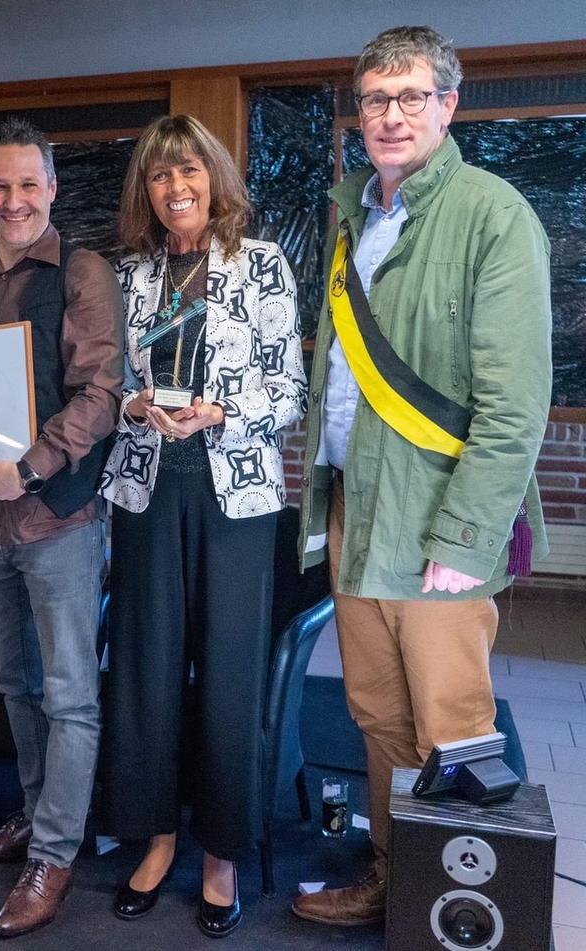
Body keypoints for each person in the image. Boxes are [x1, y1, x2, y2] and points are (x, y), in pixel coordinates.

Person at [293, 26, 552, 926]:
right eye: (374, 99)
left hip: (439, 522)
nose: (390, 114)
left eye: (411, 96)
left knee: (452, 726)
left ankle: (456, 908)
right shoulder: (353, 212)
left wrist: (466, 536)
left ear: (449, 103)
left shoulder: (493, 212)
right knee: (377, 714)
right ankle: (396, 879)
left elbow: (515, 405)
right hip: (357, 509)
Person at [100, 114, 307, 938]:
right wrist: (136, 403)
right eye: (159, 176)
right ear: (145, 191)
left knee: (226, 673)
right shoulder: (128, 275)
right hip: (147, 492)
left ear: (213, 178)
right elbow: (106, 380)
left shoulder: (260, 265)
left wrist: (224, 411)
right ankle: (156, 838)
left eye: (188, 172)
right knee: (145, 671)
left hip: (237, 496)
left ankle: (221, 852)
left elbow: (288, 388)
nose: (175, 188)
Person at [0, 118, 124, 938]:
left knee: (70, 698)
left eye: (28, 184)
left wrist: (29, 466)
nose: (14, 200)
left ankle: (55, 853)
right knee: (14, 686)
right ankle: (33, 815)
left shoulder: (85, 272)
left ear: (51, 188)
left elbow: (100, 394)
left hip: (57, 517)